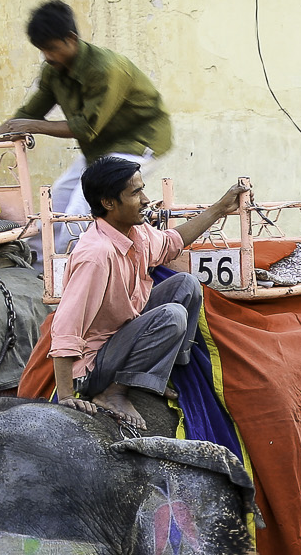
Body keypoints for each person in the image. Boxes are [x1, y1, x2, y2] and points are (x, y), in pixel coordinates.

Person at [50, 156, 243, 422]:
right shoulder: (96, 255)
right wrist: (66, 396)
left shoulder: (135, 232)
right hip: (95, 365)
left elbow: (173, 242)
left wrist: (221, 208)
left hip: (121, 337)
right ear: (108, 203)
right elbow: (65, 327)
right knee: (172, 316)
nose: (145, 200)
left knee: (186, 284)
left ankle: (157, 374)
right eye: (135, 193)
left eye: (142, 190)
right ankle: (114, 393)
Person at [0, 0, 173, 240]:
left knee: (79, 210)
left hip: (139, 143)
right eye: (42, 50)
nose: (47, 56)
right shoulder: (54, 70)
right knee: (58, 198)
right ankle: (36, 269)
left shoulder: (106, 68)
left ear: (70, 39)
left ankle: (66, 272)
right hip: (100, 150)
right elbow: (26, 116)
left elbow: (86, 127)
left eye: (51, 48)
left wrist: (33, 127)